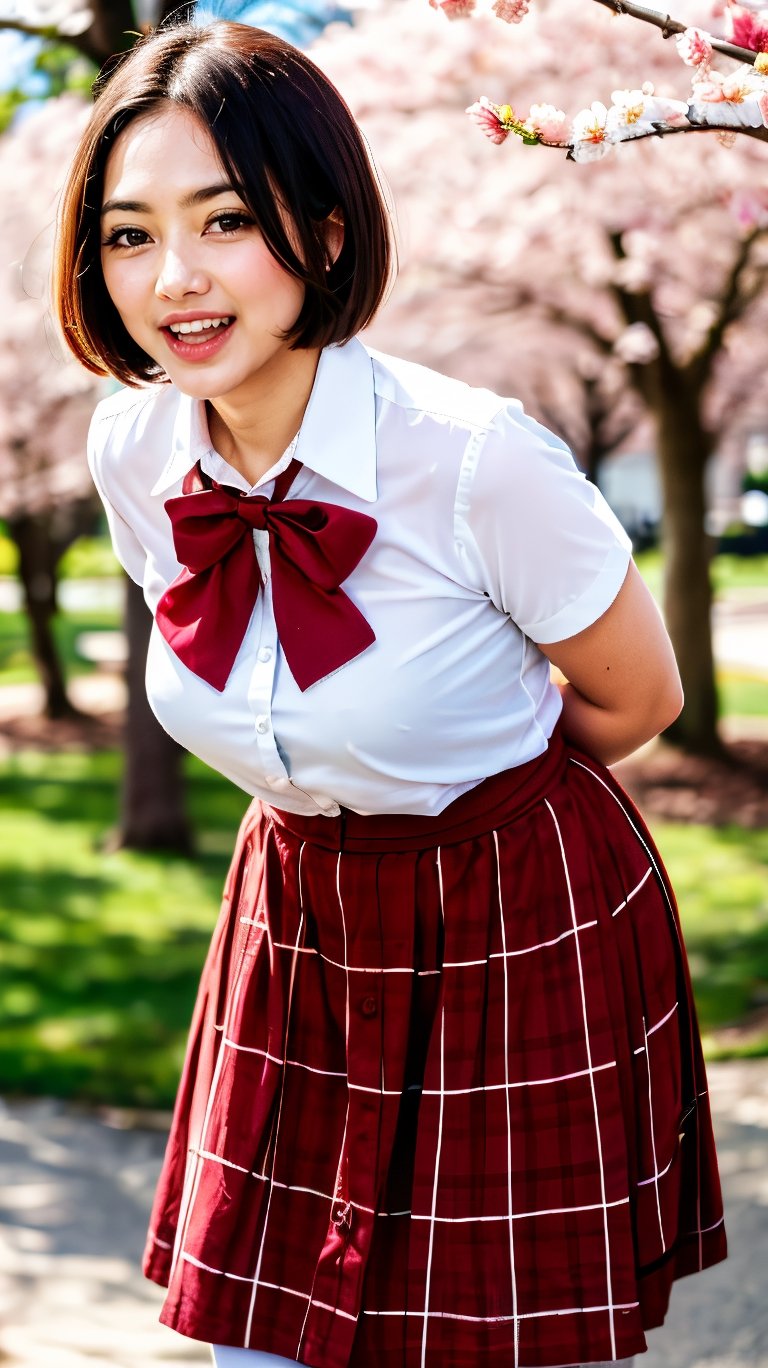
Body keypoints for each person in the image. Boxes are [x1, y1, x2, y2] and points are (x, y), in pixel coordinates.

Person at [53, 18, 726, 1368]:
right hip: (294, 912)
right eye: (129, 235)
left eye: (226, 219)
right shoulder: (132, 449)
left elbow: (632, 702)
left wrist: (462, 777)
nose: (174, 277)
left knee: (498, 1342)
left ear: (328, 230)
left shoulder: (477, 462)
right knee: (262, 1340)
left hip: (504, 909)